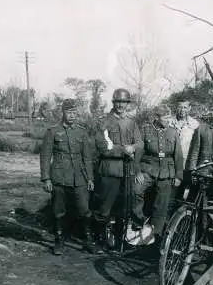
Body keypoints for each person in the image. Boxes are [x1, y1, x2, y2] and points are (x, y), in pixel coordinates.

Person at [40, 99, 99, 256]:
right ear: (63, 113)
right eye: (69, 112)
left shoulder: (81, 132)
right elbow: (45, 156)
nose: (72, 116)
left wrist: (91, 179)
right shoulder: (52, 132)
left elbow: (87, 157)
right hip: (59, 177)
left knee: (84, 210)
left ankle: (88, 240)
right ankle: (59, 241)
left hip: (80, 177)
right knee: (59, 211)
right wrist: (46, 178)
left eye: (74, 113)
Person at [92, 88, 144, 247]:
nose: (121, 105)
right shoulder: (104, 122)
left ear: (128, 104)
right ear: (113, 103)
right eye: (118, 102)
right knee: (105, 208)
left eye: (124, 102)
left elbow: (140, 143)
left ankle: (120, 241)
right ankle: (100, 240)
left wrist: (133, 147)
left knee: (124, 207)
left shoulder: (131, 121)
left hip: (127, 170)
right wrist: (124, 149)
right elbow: (104, 147)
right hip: (110, 170)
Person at [132, 105, 183, 246]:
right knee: (135, 190)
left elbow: (178, 156)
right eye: (165, 117)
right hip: (147, 169)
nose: (169, 120)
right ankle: (139, 220)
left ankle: (156, 236)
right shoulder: (145, 130)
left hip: (166, 171)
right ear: (157, 117)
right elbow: (138, 152)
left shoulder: (173, 132)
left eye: (169, 117)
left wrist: (178, 175)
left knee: (162, 203)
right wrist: (137, 171)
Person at [187, 97, 213, 199]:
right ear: (209, 111)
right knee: (198, 200)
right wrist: (193, 170)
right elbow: (194, 151)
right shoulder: (201, 128)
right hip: (203, 171)